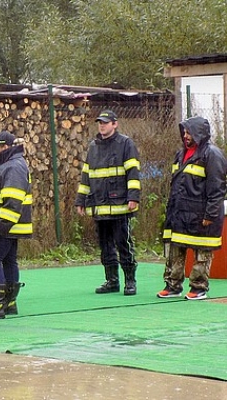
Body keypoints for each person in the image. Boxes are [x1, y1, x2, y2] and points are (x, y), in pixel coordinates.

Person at [157, 116, 227, 300]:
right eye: (184, 132)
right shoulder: (180, 154)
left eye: (189, 132)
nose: (186, 136)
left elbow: (217, 188)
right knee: (175, 249)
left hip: (201, 213)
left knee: (202, 252)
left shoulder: (212, 154)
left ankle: (198, 287)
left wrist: (210, 214)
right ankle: (172, 285)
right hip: (180, 212)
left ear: (199, 134)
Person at [75, 109, 141, 296]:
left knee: (123, 243)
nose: (102, 125)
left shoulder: (126, 144)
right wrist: (81, 200)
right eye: (100, 122)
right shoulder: (93, 147)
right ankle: (112, 281)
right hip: (98, 205)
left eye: (105, 122)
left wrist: (133, 197)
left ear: (115, 124)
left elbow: (133, 173)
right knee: (105, 246)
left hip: (120, 206)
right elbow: (86, 176)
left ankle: (130, 281)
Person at [0, 131, 32, 319]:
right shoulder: (15, 164)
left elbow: (12, 200)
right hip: (15, 225)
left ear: (5, 147)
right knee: (9, 261)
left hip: (7, 225)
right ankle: (9, 303)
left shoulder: (12, 167)